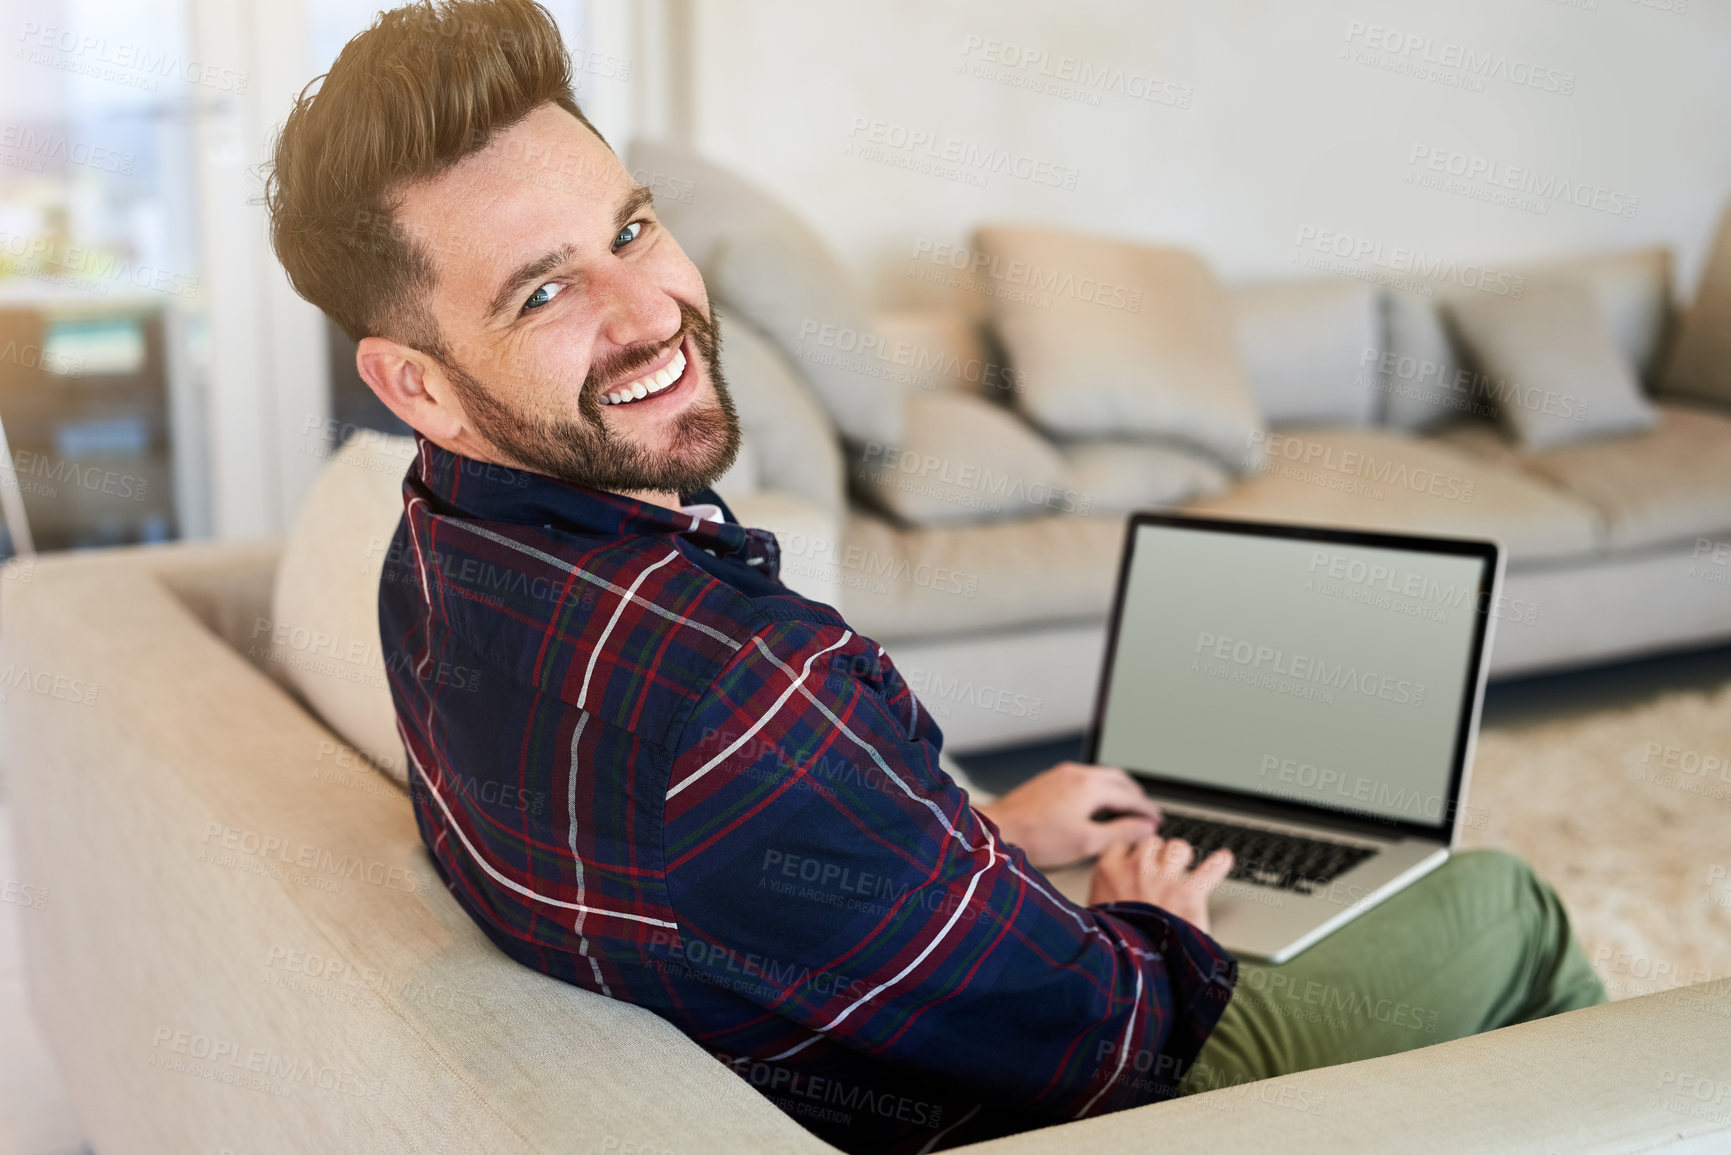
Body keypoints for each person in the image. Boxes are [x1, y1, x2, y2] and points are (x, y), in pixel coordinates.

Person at [263, 3, 1606, 1151]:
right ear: (417, 385)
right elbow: (1105, 1039)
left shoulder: (437, 536)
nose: (649, 313)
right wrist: (1155, 931)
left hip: (863, 993)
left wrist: (989, 842)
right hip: (1100, 1095)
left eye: (632, 231)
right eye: (543, 295)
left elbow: (755, 881)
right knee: (1500, 904)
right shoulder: (748, 690)